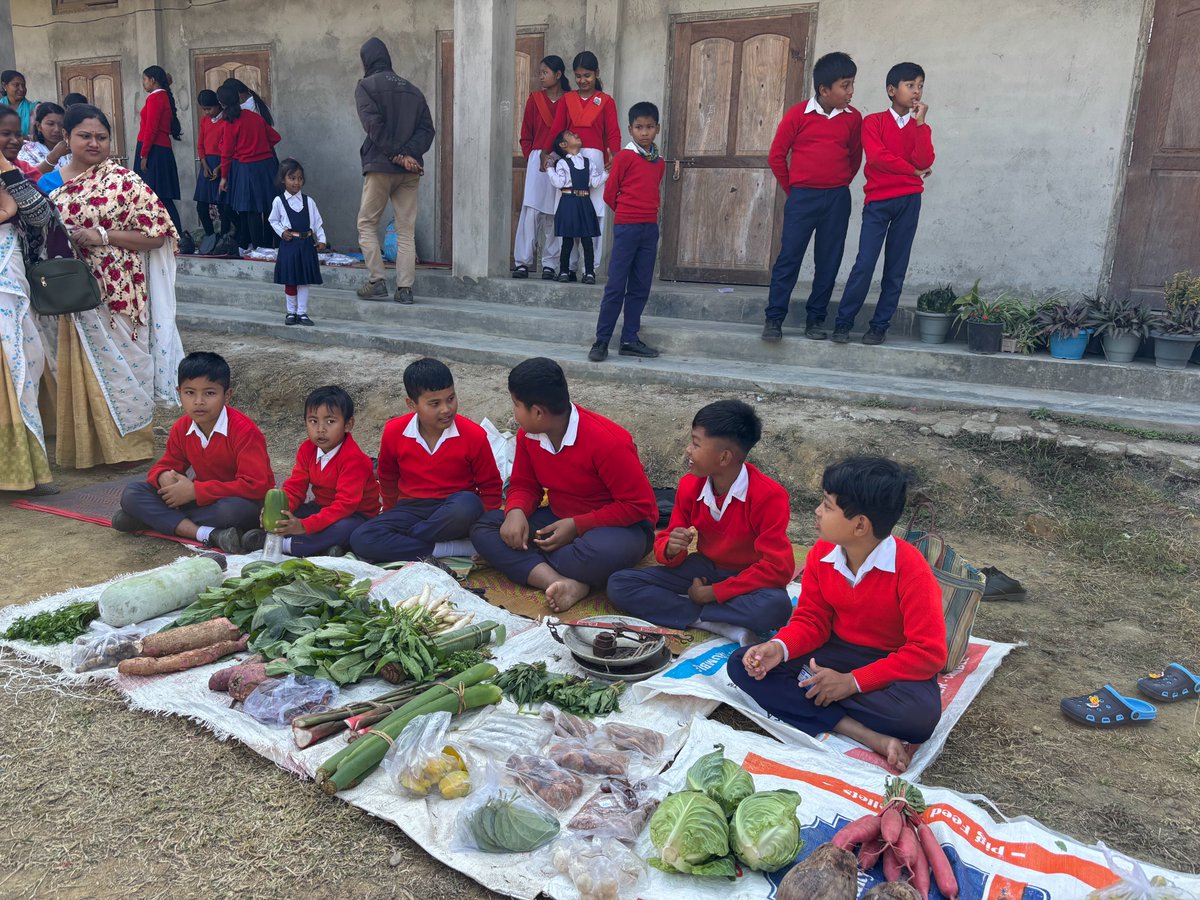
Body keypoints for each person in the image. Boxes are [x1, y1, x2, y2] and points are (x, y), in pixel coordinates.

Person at [728, 456, 947, 774]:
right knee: (744, 665)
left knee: (919, 718)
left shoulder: (910, 568)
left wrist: (852, 683)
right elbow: (811, 620)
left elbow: (928, 654)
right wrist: (778, 648)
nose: (817, 511)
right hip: (837, 649)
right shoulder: (821, 554)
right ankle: (862, 733)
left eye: (828, 506)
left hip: (891, 663)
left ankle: (817, 697)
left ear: (860, 525)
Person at [46, 104, 184, 469]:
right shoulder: (50, 184)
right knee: (84, 369)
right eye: (85, 136)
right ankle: (89, 451)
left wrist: (103, 234)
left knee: (129, 368)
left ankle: (131, 449)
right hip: (75, 294)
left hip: (123, 295)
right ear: (66, 137)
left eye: (102, 137)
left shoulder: (126, 181)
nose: (94, 143)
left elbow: (159, 236)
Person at [470, 357, 658, 613]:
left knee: (596, 554)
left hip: (618, 529)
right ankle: (560, 582)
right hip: (559, 519)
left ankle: (538, 566)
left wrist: (576, 526)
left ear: (537, 412)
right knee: (486, 528)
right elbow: (524, 485)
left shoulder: (608, 442)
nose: (515, 413)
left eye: (516, 405)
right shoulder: (529, 435)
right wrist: (515, 511)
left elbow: (639, 506)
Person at [607, 400, 794, 644]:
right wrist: (672, 548)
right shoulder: (689, 486)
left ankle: (691, 609)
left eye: (696, 444)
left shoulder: (769, 496)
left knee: (777, 607)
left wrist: (714, 593)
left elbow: (779, 568)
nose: (688, 450)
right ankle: (717, 622)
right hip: (703, 570)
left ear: (724, 457)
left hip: (747, 577)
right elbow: (667, 545)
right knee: (620, 584)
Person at [115, 352, 274, 553]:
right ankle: (209, 534)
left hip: (240, 502)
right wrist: (164, 476)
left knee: (231, 511)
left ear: (227, 395)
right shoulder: (182, 428)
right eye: (190, 393)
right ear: (178, 392)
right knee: (132, 493)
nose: (199, 401)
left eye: (209, 393)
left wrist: (195, 491)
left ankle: (151, 519)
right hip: (198, 502)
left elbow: (256, 486)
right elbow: (166, 464)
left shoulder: (245, 431)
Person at [349, 358, 501, 563]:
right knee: (361, 539)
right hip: (411, 509)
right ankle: (447, 548)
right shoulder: (395, 431)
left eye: (451, 398)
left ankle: (404, 542)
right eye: (435, 403)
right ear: (412, 404)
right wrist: (391, 514)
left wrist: (485, 532)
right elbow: (388, 477)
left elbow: (491, 487)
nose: (446, 409)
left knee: (468, 503)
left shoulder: (474, 435)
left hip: (455, 511)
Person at [761, 52, 863, 343]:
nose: (851, 92)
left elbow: (855, 157)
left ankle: (815, 320)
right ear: (824, 90)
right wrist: (794, 189)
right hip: (802, 198)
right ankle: (774, 319)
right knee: (789, 259)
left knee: (829, 262)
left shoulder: (853, 119)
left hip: (836, 199)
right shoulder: (798, 114)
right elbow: (776, 156)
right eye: (845, 85)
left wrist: (839, 183)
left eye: (852, 84)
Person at [831, 62, 934, 345]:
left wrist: (921, 124)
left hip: (909, 201)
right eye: (910, 85)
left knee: (896, 267)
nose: (916, 92)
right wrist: (911, 170)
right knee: (865, 263)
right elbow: (877, 158)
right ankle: (843, 322)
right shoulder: (873, 122)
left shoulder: (919, 126)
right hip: (878, 201)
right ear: (892, 90)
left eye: (920, 86)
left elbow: (925, 161)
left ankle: (879, 326)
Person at [243, 385, 380, 558]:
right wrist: (281, 511)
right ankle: (326, 549)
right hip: (321, 506)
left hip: (356, 514)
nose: (320, 429)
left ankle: (286, 545)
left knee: (343, 529)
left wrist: (303, 526)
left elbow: (345, 505)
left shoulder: (355, 459)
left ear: (348, 424)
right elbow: (295, 488)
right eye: (313, 421)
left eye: (330, 421)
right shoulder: (307, 449)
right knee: (292, 517)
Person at [354, 37, 435, 305]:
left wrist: (398, 155)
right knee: (405, 230)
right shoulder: (413, 90)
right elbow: (427, 130)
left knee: (367, 224)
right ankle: (405, 289)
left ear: (367, 60)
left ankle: (377, 280)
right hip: (409, 171)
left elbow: (374, 127)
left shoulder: (365, 87)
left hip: (380, 167)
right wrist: (408, 155)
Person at [0, 132, 58, 495]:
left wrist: (7, 171)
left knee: (24, 365)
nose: (11, 140)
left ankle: (23, 470)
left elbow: (39, 215)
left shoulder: (14, 174)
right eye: (3, 134)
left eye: (12, 133)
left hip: (13, 289)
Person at [588, 101, 665, 362]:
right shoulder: (623, 157)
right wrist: (627, 214)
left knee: (641, 285)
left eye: (650, 127)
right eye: (639, 127)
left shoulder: (659, 162)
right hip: (627, 227)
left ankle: (630, 338)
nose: (645, 132)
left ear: (657, 129)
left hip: (649, 229)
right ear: (630, 129)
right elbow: (610, 195)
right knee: (616, 285)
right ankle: (601, 341)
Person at [541, 51, 620, 274]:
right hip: (568, 158)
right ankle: (569, 266)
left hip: (594, 160)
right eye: (578, 76)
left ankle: (590, 267)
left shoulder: (606, 102)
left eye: (587, 75)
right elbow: (557, 129)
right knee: (568, 213)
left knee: (594, 214)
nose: (582, 80)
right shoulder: (568, 100)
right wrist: (546, 153)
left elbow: (613, 132)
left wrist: (614, 154)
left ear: (597, 73)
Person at [513, 55, 569, 281]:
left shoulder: (569, 100)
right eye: (540, 72)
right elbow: (525, 135)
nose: (541, 77)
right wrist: (532, 158)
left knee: (555, 213)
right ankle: (523, 262)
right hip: (538, 159)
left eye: (545, 72)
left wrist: (561, 156)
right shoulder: (534, 100)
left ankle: (549, 263)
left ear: (558, 75)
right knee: (531, 211)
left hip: (561, 159)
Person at [217, 82, 281, 255]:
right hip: (267, 166)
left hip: (247, 168)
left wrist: (224, 177)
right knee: (269, 206)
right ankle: (270, 246)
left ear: (222, 104)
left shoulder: (229, 123)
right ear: (239, 99)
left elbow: (226, 153)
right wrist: (260, 145)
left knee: (251, 209)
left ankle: (259, 248)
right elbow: (276, 137)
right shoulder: (255, 117)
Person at [269, 158, 327, 326]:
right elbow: (273, 220)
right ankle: (291, 312)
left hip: (306, 244)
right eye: (292, 178)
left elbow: (317, 223)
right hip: (289, 245)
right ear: (283, 180)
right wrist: (282, 232)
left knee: (303, 280)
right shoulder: (279, 201)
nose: (296, 182)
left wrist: (321, 239)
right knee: (290, 279)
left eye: (300, 178)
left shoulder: (309, 201)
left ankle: (302, 312)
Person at [546, 129, 605, 285]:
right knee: (567, 239)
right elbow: (559, 183)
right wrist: (549, 169)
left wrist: (607, 172)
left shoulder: (588, 162)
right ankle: (564, 270)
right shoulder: (562, 163)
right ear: (564, 144)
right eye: (571, 135)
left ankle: (589, 273)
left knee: (587, 239)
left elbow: (594, 182)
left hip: (585, 201)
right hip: (568, 201)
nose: (577, 135)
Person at [133, 66, 184, 237]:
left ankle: (176, 236)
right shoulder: (162, 97)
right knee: (158, 196)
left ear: (153, 80)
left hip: (154, 150)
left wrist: (144, 154)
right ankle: (167, 234)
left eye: (144, 80)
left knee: (157, 196)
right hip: (159, 149)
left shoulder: (156, 98)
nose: (143, 83)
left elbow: (151, 129)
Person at [193, 89, 232, 251]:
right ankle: (210, 235)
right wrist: (204, 164)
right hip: (207, 164)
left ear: (218, 106)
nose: (207, 112)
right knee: (201, 205)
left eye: (209, 108)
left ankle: (224, 236)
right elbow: (200, 144)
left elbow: (229, 148)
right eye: (204, 109)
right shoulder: (204, 121)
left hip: (222, 163)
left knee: (223, 205)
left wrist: (219, 167)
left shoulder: (227, 121)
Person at [18, 102, 68, 172]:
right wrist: (53, 157)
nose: (57, 129)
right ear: (39, 126)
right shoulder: (28, 151)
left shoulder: (71, 150)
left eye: (61, 124)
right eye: (50, 124)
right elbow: (28, 176)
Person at [1, 71, 38, 139]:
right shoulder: (1, 107)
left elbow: (38, 137)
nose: (21, 89)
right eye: (16, 85)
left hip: (28, 148)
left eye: (23, 85)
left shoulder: (34, 108)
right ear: (4, 86)